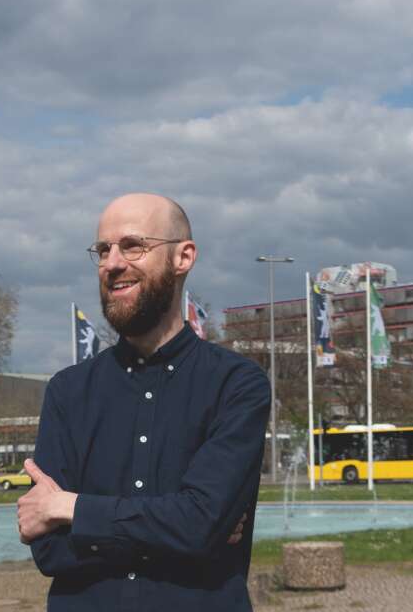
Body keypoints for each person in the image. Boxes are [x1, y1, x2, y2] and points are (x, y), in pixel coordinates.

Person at [18, 193, 271, 611]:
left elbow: (199, 526)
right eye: (103, 250)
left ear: (183, 257)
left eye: (133, 245)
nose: (113, 263)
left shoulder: (237, 384)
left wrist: (71, 508)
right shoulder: (67, 392)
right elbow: (50, 551)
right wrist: (181, 527)